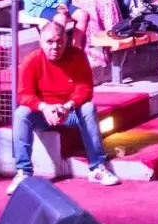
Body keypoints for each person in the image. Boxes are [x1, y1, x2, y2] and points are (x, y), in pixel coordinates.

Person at [11, 19, 120, 191]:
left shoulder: (77, 56)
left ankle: (97, 167)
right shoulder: (31, 60)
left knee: (88, 108)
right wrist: (44, 108)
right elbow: (24, 94)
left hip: (69, 112)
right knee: (20, 114)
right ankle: (23, 172)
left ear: (66, 40)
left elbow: (85, 89)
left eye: (59, 41)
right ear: (41, 42)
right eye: (50, 42)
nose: (55, 47)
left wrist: (68, 106)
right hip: (42, 114)